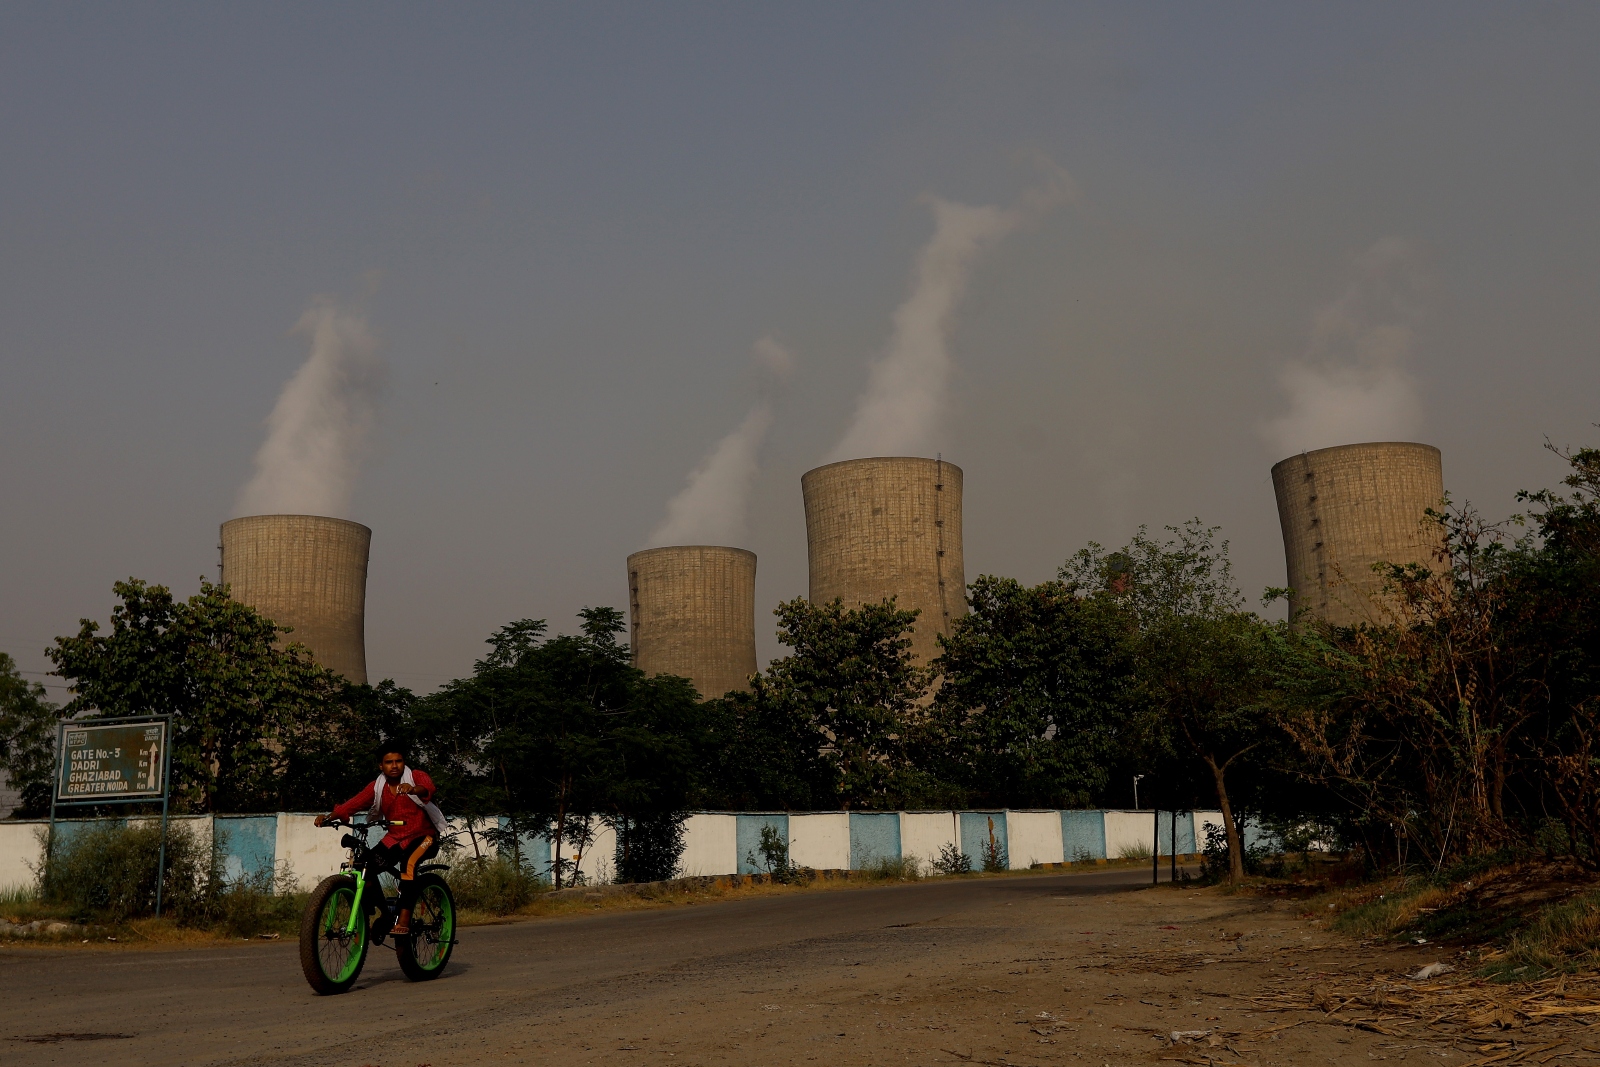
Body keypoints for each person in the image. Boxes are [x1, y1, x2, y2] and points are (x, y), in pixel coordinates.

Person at [317, 746, 445, 937]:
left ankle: (404, 919)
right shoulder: (378, 787)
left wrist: (413, 789)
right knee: (364, 866)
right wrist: (329, 817)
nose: (394, 766)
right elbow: (354, 803)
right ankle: (385, 914)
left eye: (398, 761)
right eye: (388, 762)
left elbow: (427, 787)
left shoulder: (415, 776)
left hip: (424, 837)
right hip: (394, 839)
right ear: (381, 766)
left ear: (404, 763)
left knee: (408, 864)